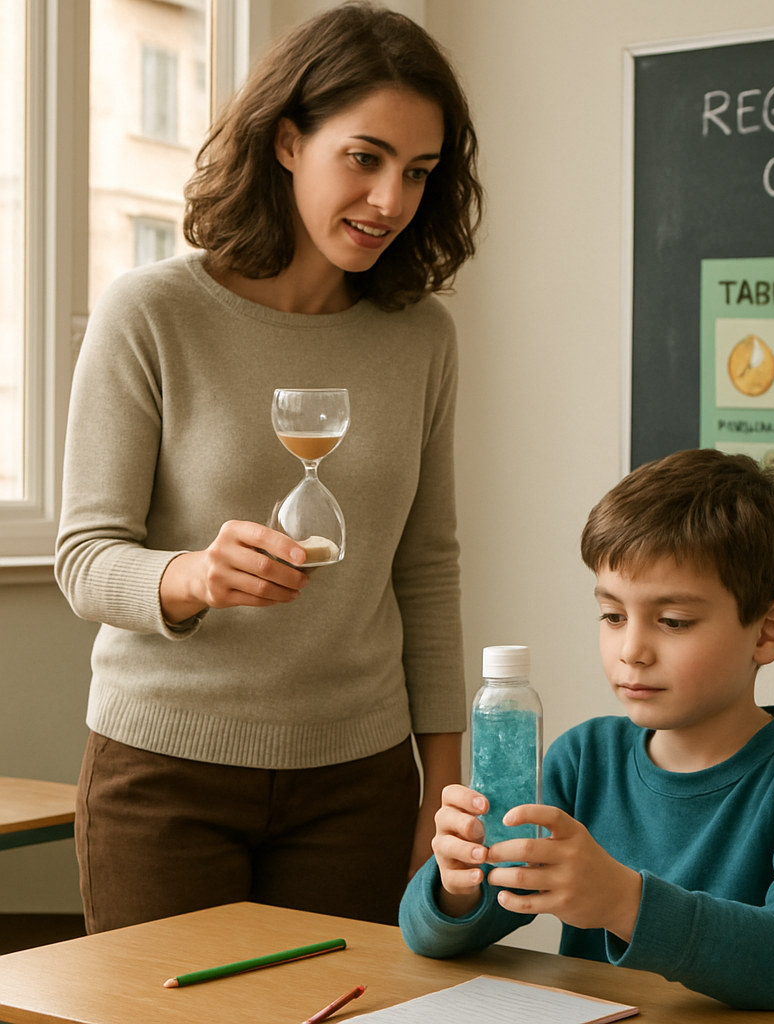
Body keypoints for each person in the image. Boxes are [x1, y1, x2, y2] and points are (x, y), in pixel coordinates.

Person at [55, 2, 482, 933]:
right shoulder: (151, 312)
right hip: (163, 772)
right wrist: (193, 576)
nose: (390, 203)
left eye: (418, 173)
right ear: (288, 142)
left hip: (361, 782)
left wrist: (441, 785)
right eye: (363, 159)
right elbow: (86, 557)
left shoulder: (422, 338)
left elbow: (428, 566)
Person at [400, 449, 774, 1010]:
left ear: (768, 631)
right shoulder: (583, 760)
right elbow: (425, 936)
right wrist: (457, 887)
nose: (632, 651)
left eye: (673, 621)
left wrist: (626, 903)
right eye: (612, 616)